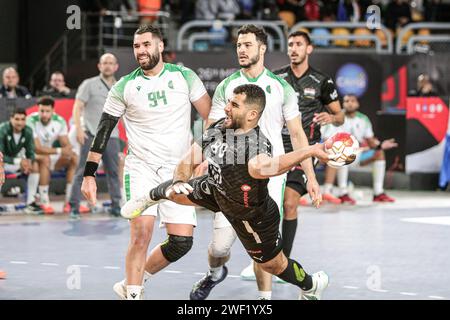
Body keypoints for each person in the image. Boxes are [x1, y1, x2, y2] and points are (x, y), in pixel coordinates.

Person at [121, 84, 333, 300]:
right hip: (216, 188)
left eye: (234, 105)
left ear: (251, 114)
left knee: (273, 264)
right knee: (177, 190)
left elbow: (265, 167)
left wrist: (312, 150)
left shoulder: (256, 144)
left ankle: (311, 284)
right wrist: (179, 179)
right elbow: (188, 160)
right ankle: (148, 197)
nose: (226, 108)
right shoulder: (219, 126)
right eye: (229, 102)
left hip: (250, 214)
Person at [80, 24, 211, 300]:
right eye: (136, 46)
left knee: (181, 243)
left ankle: (132, 282)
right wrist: (89, 174)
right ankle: (135, 293)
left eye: (146, 45)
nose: (140, 51)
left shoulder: (185, 77)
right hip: (141, 168)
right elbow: (103, 131)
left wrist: (204, 156)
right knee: (141, 235)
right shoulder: (125, 85)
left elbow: (211, 118)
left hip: (179, 171)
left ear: (160, 46)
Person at [191, 24, 320, 301]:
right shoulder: (227, 86)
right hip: (230, 175)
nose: (241, 49)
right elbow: (213, 127)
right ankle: (215, 273)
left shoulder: (280, 87)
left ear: (262, 48)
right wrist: (205, 159)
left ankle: (264, 298)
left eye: (247, 44)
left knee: (264, 248)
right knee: (220, 247)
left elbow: (297, 134)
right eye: (238, 45)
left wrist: (311, 176)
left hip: (268, 175)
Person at [273, 30, 344, 260]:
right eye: (290, 44)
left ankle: (282, 262)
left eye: (299, 44)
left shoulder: (322, 81)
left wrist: (330, 118)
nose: (293, 49)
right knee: (269, 205)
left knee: (290, 202)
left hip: (307, 149)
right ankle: (265, 258)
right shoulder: (276, 78)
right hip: (276, 148)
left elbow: (340, 115)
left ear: (309, 49)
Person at [69, 53, 123, 218]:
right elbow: (77, 107)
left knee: (113, 171)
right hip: (91, 133)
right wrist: (78, 128)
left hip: (112, 136)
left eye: (111, 63)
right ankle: (74, 207)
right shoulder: (89, 84)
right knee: (83, 171)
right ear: (99, 66)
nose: (107, 65)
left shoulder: (121, 85)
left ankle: (115, 206)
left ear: (116, 67)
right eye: (104, 63)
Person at [321, 94, 398, 204]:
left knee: (379, 153)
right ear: (343, 104)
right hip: (336, 155)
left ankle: (378, 192)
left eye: (352, 101)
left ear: (357, 104)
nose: (350, 103)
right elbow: (326, 141)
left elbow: (371, 142)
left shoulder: (363, 119)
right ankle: (342, 193)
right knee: (343, 151)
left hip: (357, 155)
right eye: (347, 101)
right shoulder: (337, 118)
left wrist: (380, 145)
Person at [26, 96, 82, 214]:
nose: (44, 114)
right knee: (45, 159)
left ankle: (69, 202)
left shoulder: (60, 121)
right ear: (38, 109)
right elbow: (37, 148)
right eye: (41, 111)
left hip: (51, 154)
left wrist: (68, 150)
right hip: (34, 156)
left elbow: (65, 144)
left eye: (47, 111)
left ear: (53, 111)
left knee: (74, 158)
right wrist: (60, 151)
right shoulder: (30, 120)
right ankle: (44, 201)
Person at [0, 108, 41, 214]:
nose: (20, 122)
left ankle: (30, 203)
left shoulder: (28, 130)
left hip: (16, 163)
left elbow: (31, 152)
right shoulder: (2, 129)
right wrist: (19, 161)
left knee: (35, 165)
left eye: (23, 119)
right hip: (3, 162)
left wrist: (28, 163)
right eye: (17, 119)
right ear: (11, 119)